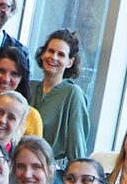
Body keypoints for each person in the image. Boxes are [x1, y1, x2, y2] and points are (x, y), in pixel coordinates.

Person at [34, 29, 90, 172]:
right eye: (50, 51)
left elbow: (77, 151)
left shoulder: (73, 94)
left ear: (70, 62)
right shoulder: (29, 88)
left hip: (51, 176)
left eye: (61, 54)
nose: (53, 57)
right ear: (42, 54)